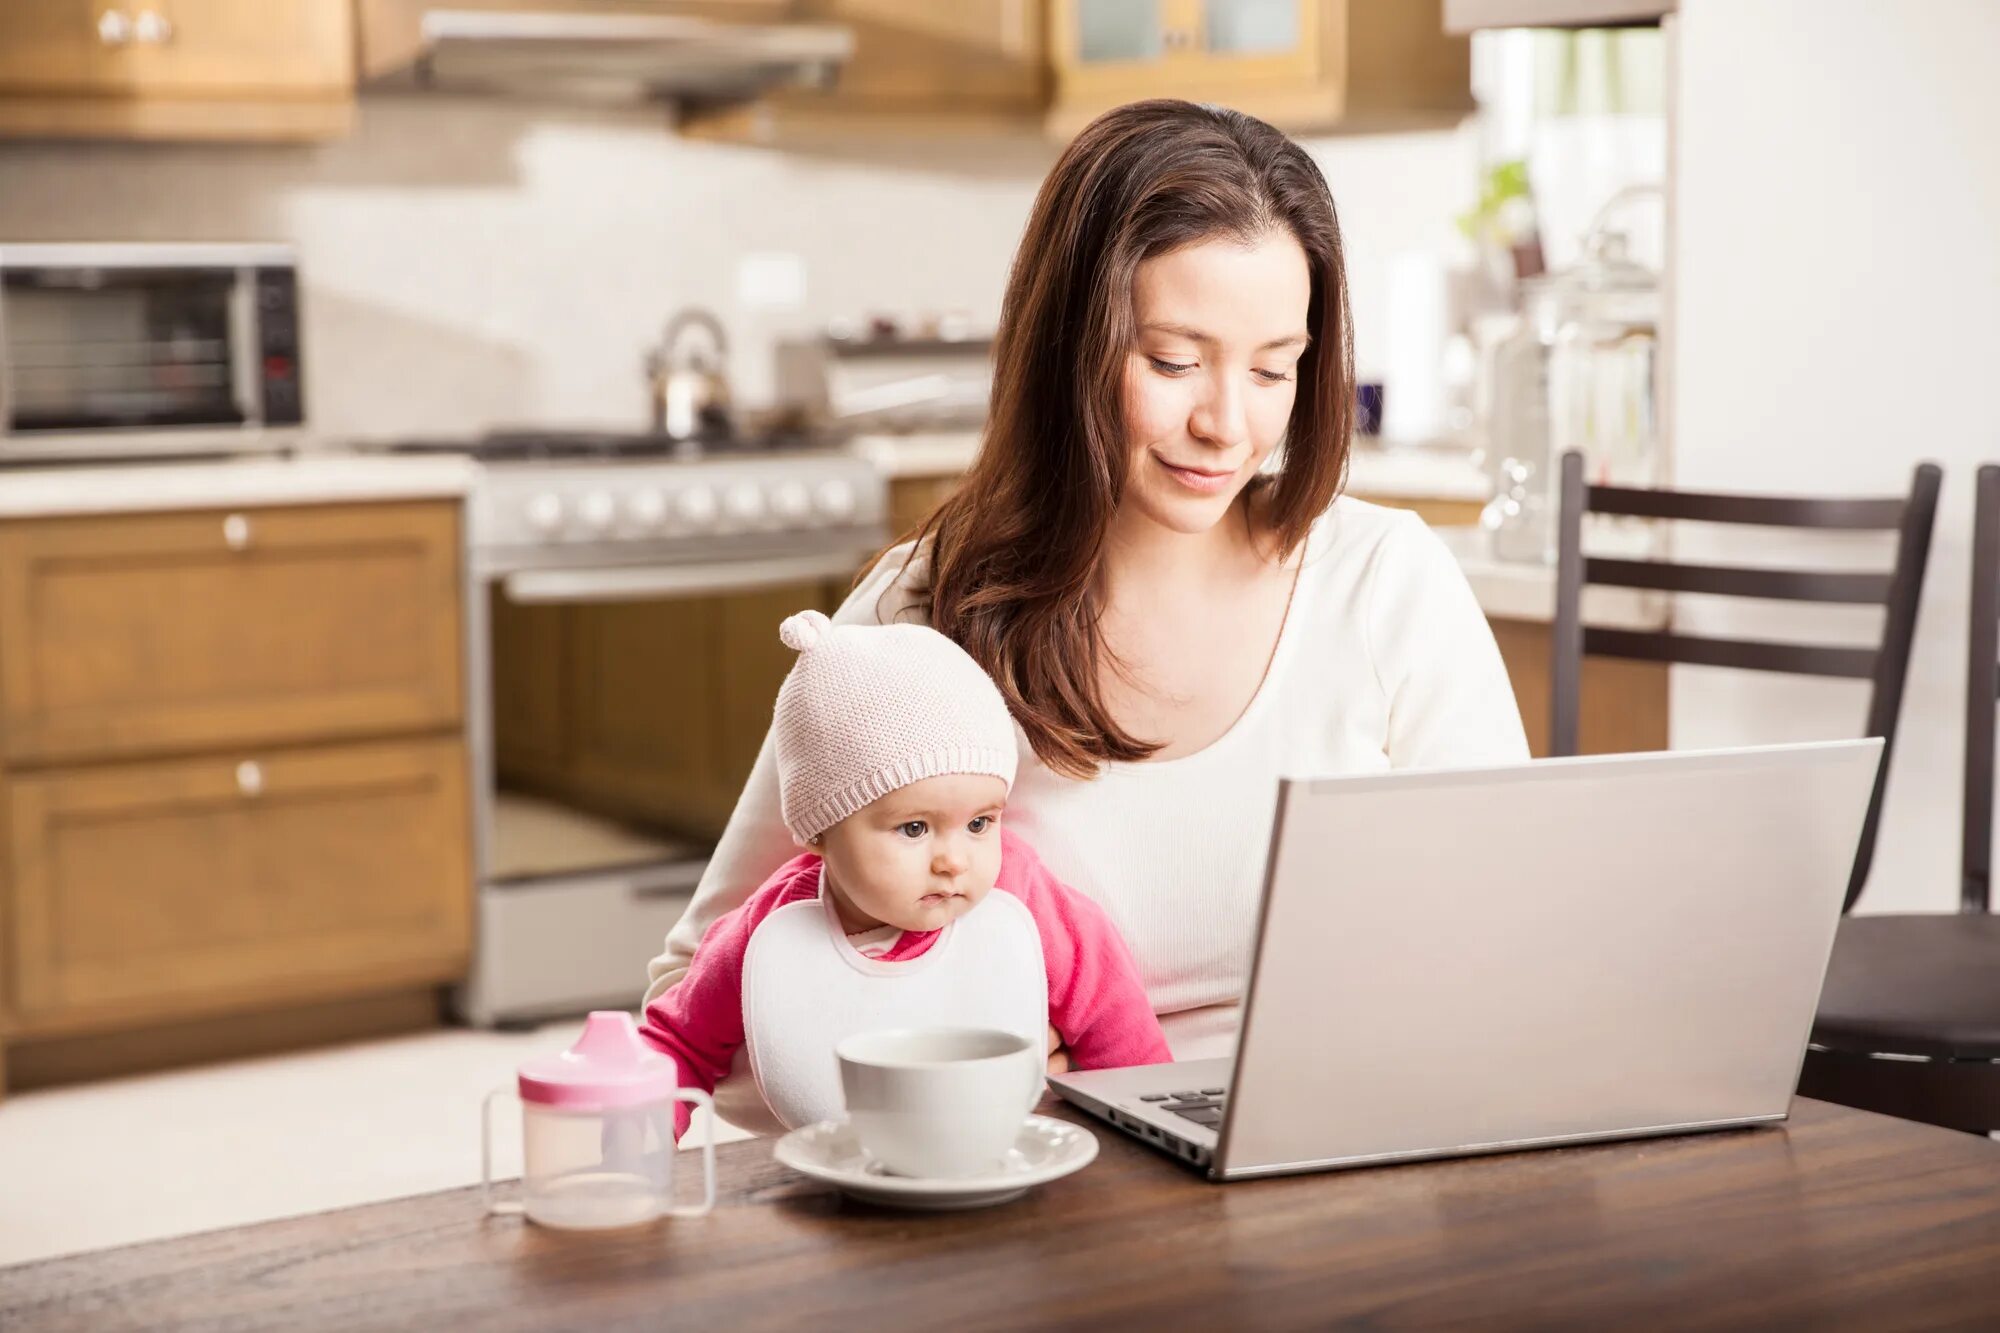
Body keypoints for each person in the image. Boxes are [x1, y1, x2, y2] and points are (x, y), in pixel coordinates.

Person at [647, 98, 1528, 1093]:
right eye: (1172, 362)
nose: (1226, 424)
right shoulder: (921, 614)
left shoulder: (1384, 584)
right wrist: (937, 1063)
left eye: (1274, 368)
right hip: (1043, 1180)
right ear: (1069, 343)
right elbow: (696, 998)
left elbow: (1506, 947)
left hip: (1338, 1129)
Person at [640, 610, 1171, 1139]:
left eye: (980, 823)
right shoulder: (770, 931)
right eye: (914, 828)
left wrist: (1152, 1139)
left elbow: (1117, 1027)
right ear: (819, 831)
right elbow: (679, 1044)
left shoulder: (1023, 897)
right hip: (836, 1177)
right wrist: (643, 1135)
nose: (953, 860)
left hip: (1005, 1160)